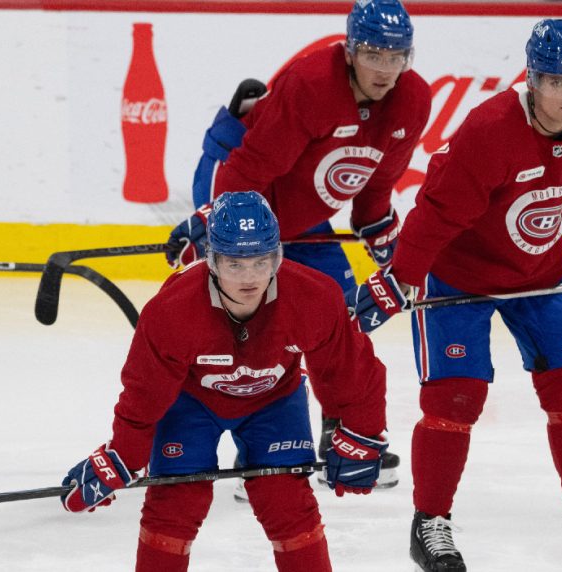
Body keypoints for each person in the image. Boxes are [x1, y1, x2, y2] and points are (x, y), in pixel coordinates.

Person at [345, 19, 562, 571]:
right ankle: (430, 523)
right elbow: (438, 211)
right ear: (531, 79)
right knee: (455, 398)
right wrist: (401, 275)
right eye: (557, 82)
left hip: (541, 275)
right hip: (458, 278)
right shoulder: (491, 129)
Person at [165, 0, 431, 489]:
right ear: (351, 51)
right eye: (374, 54)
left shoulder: (412, 100)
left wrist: (386, 241)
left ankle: (342, 433)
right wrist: (219, 229)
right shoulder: (313, 84)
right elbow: (253, 168)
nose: (385, 69)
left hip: (301, 212)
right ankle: (249, 448)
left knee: (340, 312)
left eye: (397, 57)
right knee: (247, 315)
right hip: (241, 183)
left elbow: (374, 185)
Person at [62, 191, 390, 571]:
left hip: (275, 399)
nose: (249, 277)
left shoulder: (315, 296)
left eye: (261, 261)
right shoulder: (171, 310)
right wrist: (123, 455)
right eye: (235, 264)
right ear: (212, 261)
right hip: (191, 401)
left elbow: (351, 372)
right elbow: (145, 393)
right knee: (174, 502)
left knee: (287, 503)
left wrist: (360, 433)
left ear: (277, 257)